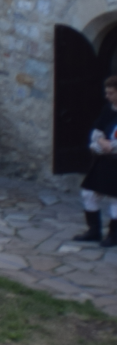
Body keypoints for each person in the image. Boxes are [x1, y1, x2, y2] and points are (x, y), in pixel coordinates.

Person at [74, 76, 117, 246]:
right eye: (107, 92)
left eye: (111, 93)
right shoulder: (108, 109)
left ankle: (114, 235)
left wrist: (112, 146)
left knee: (116, 199)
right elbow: (96, 132)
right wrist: (101, 142)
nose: (107, 96)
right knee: (89, 193)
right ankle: (94, 231)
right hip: (105, 160)